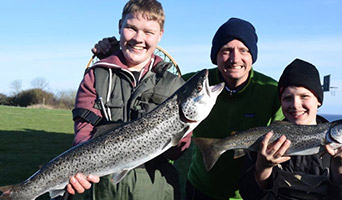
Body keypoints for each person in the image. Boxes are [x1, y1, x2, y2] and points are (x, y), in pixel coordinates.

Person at [91, 17, 284, 200]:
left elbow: (290, 127)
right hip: (199, 188)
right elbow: (145, 72)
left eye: (243, 50)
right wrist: (113, 53)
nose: (234, 58)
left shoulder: (272, 90)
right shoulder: (189, 84)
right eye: (226, 50)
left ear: (253, 56)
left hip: (246, 193)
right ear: (215, 55)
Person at [65, 0, 190, 199]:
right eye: (131, 28)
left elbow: (176, 153)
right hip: (99, 187)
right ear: (119, 27)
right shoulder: (95, 76)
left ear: (160, 35)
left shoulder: (175, 85)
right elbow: (84, 133)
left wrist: (185, 130)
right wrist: (80, 166)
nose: (139, 38)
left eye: (149, 32)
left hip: (154, 189)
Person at [239, 58, 342, 200]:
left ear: (318, 100)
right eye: (287, 98)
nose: (295, 105)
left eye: (304, 96)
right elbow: (248, 195)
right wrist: (263, 168)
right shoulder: (266, 140)